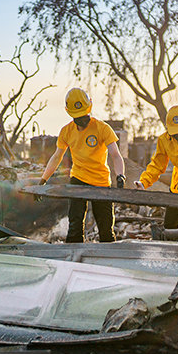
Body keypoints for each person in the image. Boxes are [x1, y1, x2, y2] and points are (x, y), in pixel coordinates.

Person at [38, 88, 125, 243]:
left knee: (105, 228)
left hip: (101, 181)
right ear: (69, 112)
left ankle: (108, 252)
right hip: (78, 179)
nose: (82, 121)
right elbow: (57, 157)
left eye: (84, 116)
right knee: (75, 224)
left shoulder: (102, 128)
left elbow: (116, 155)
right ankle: (73, 252)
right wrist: (43, 179)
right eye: (77, 117)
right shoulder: (66, 131)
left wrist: (120, 176)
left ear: (90, 106)